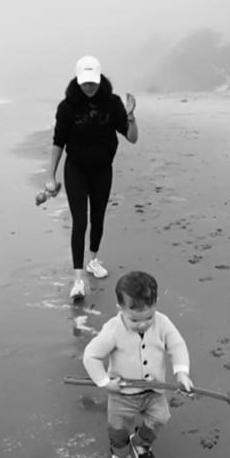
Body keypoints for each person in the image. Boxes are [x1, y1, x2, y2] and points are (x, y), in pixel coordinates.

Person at [82, 271, 194, 458]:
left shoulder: (163, 323)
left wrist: (182, 373)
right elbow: (91, 356)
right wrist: (104, 382)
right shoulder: (113, 330)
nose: (143, 324)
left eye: (148, 317)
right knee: (118, 427)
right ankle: (120, 454)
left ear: (155, 304)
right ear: (120, 308)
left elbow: (177, 345)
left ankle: (140, 443)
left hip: (154, 390)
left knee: (161, 417)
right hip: (121, 393)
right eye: (134, 319)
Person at [48, 55, 138, 300]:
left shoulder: (112, 103)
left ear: (100, 79)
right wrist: (50, 176)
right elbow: (58, 142)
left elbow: (132, 137)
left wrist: (130, 116)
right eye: (85, 82)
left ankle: (93, 259)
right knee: (80, 219)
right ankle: (78, 278)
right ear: (77, 80)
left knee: (98, 216)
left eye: (93, 82)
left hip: (102, 169)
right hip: (75, 168)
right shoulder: (67, 107)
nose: (89, 87)